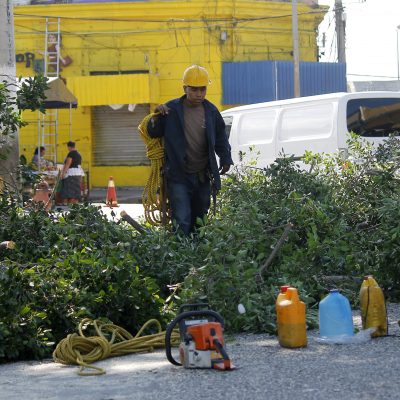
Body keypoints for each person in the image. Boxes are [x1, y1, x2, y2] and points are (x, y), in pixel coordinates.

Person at [148, 65, 233, 235]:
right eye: (194, 89)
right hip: (178, 176)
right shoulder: (170, 110)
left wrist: (225, 158)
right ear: (184, 88)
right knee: (182, 219)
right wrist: (155, 116)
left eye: (202, 89)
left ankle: (197, 249)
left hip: (202, 176)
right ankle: (181, 249)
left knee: (200, 219)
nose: (199, 94)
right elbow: (153, 132)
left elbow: (220, 137)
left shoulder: (211, 111)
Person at [60, 141, 84, 205]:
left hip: (71, 173)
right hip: (78, 173)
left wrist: (63, 173)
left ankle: (66, 202)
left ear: (68, 147)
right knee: (76, 188)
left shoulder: (71, 154)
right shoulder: (78, 154)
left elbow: (68, 163)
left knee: (67, 187)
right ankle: (75, 202)